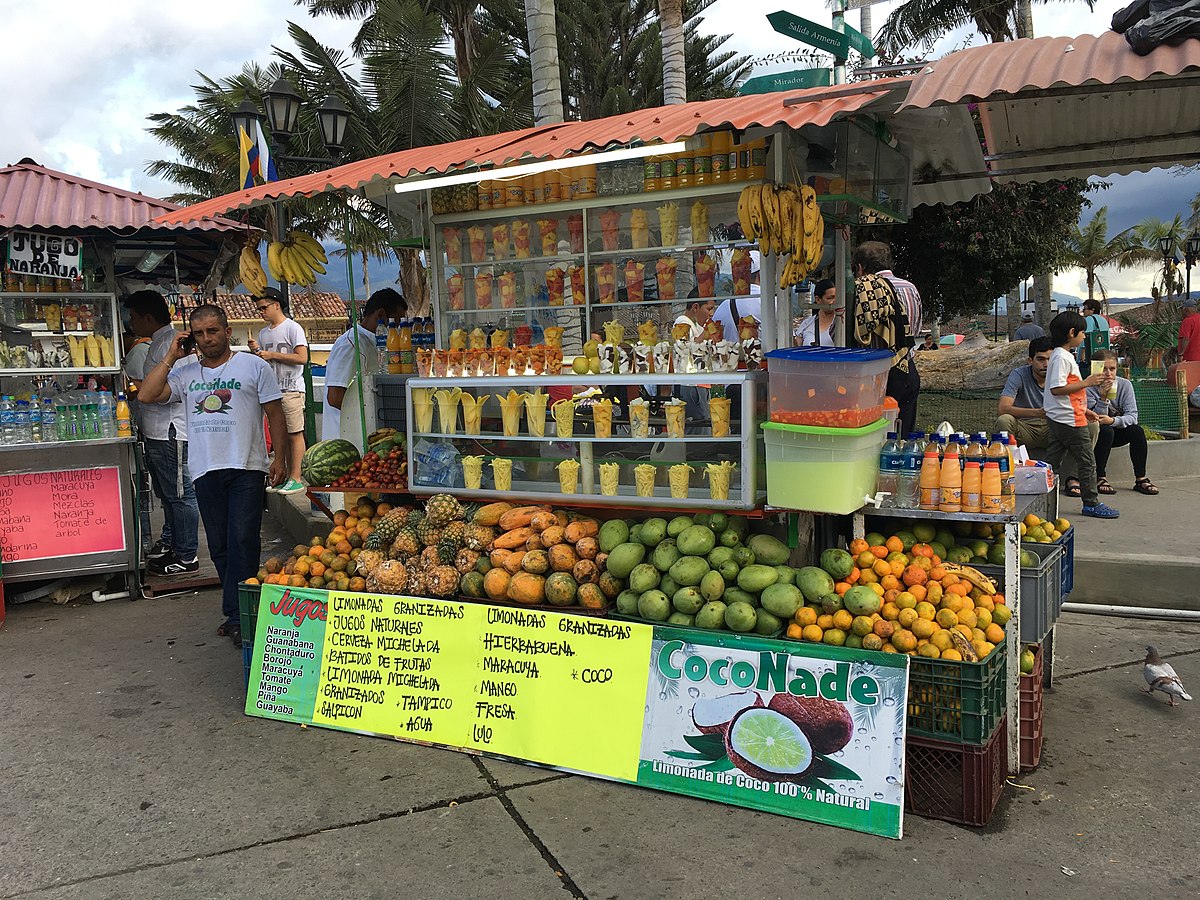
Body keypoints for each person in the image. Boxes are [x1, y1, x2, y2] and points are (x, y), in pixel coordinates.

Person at [138, 304, 287, 643]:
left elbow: (275, 413)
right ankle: (242, 607)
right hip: (205, 469)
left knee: (242, 538)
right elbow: (147, 395)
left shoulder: (254, 366)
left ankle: (239, 615)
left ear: (227, 330)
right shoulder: (186, 374)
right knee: (219, 545)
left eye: (213, 331)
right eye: (200, 333)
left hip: (246, 466)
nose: (207, 339)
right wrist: (172, 357)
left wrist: (279, 459)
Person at [123, 290, 201, 577]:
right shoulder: (158, 343)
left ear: (147, 317)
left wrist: (144, 389)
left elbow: (178, 390)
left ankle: (187, 554)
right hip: (156, 430)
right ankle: (174, 545)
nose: (131, 324)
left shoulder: (172, 345)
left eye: (133, 318)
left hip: (172, 430)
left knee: (181, 494)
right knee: (168, 495)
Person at [1042, 310, 1118, 519]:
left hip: (1064, 416)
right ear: (1072, 332)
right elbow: (1057, 389)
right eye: (1083, 332)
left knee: (1052, 461)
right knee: (1087, 461)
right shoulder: (1061, 358)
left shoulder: (1062, 356)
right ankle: (1091, 502)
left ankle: (1038, 497)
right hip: (1069, 420)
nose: (1085, 336)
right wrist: (1088, 382)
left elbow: (1063, 392)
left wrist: (1085, 410)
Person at [997, 336, 1097, 492]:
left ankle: (1073, 478)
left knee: (1091, 425)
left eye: (1050, 359)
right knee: (1004, 420)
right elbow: (1003, 408)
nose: (1046, 364)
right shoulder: (1019, 375)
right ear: (1030, 360)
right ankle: (1005, 477)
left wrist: (1086, 412)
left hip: (1056, 427)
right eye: (1040, 359)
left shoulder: (1063, 372)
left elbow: (1074, 401)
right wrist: (1037, 413)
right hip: (1027, 428)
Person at [850, 241, 919, 434]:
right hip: (907, 370)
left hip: (876, 376)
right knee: (904, 441)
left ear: (860, 267)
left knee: (873, 439)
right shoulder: (910, 288)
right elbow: (914, 329)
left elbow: (839, 333)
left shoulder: (861, 289)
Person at [323, 288, 406, 442]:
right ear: (381, 315)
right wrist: (370, 413)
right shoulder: (350, 345)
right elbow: (334, 397)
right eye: (396, 322)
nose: (398, 329)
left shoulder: (376, 342)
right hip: (346, 438)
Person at [248, 287, 308, 494]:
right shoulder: (264, 333)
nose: (262, 311)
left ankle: (297, 477)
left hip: (291, 389)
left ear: (276, 305)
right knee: (279, 434)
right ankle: (283, 474)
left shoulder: (293, 328)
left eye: (264, 307)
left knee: (295, 432)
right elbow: (265, 360)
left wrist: (272, 355)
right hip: (273, 390)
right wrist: (258, 353)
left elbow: (302, 358)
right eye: (259, 309)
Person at [1087, 350, 1158, 496]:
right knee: (1106, 430)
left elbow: (1132, 416)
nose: (1108, 373)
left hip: (1116, 427)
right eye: (1103, 369)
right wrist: (1103, 398)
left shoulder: (1125, 385)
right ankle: (1100, 477)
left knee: (1136, 431)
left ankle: (1141, 478)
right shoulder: (1088, 387)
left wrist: (1113, 420)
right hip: (1098, 434)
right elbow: (1096, 419)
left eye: (1112, 369)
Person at [672, 294, 716, 430]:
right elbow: (683, 348)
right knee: (699, 429)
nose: (711, 313)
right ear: (696, 307)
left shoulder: (695, 326)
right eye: (709, 309)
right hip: (691, 385)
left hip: (698, 385)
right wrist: (706, 334)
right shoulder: (682, 322)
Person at [796, 279, 837, 347]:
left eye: (836, 297)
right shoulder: (806, 324)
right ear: (818, 299)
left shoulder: (841, 324)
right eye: (830, 298)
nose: (834, 301)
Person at [1079, 298, 1110, 367]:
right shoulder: (1103, 320)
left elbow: (1085, 339)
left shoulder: (1089, 319)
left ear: (1092, 309)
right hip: (1102, 356)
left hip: (1090, 358)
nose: (1083, 311)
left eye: (1085, 309)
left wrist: (1082, 359)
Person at [1178, 297, 1200, 361]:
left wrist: (1181, 354)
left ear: (1186, 310)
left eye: (1182, 309)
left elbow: (1186, 339)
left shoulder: (1187, 321)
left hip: (1191, 358)